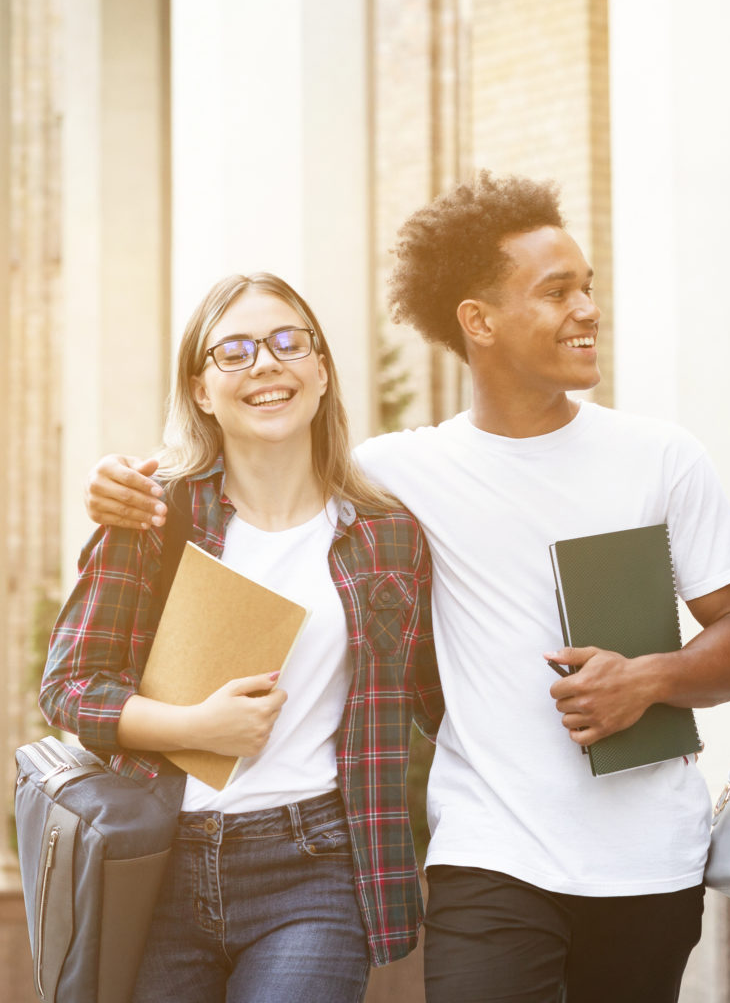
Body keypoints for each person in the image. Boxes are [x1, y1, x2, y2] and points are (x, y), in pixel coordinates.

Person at [83, 172, 730, 1003]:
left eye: (587, 287)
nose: (588, 309)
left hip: (647, 853)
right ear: (478, 321)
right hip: (487, 853)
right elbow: (259, 457)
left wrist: (649, 678)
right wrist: (127, 482)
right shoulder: (395, 477)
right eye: (558, 292)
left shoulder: (660, 456)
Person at [43, 273, 438, 1002]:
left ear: (320, 371)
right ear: (200, 390)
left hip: (314, 866)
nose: (265, 363)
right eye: (235, 351)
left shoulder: (387, 537)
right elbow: (69, 685)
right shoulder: (157, 515)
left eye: (289, 342)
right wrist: (195, 726)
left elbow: (441, 698)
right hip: (158, 862)